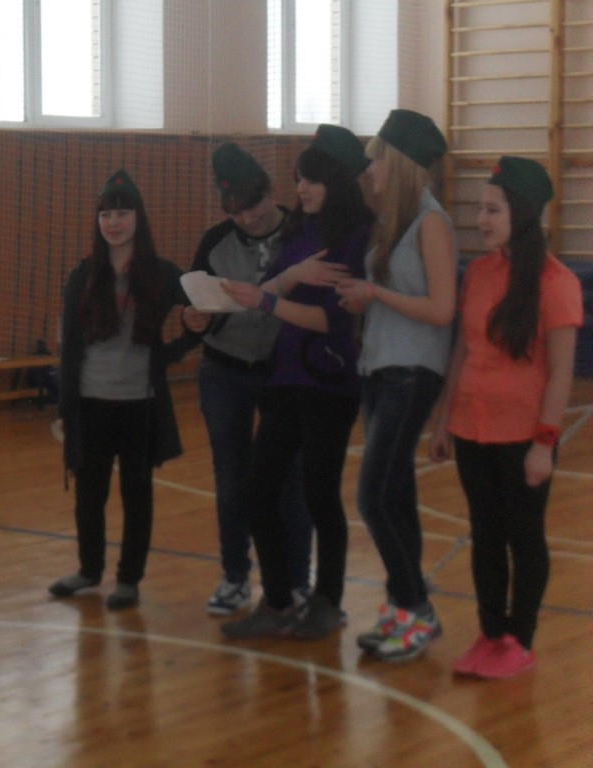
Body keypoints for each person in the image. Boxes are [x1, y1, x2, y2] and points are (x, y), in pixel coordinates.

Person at [219, 125, 374, 640]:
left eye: (311, 180)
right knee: (258, 490)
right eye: (299, 179)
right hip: (285, 377)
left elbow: (331, 320)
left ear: (336, 181)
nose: (301, 189)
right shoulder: (300, 230)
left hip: (328, 381)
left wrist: (269, 300)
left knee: (320, 493)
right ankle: (278, 601)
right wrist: (286, 282)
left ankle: (327, 601)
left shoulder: (355, 235)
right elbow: (274, 286)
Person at [430, 157, 581, 679]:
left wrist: (544, 443)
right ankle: (491, 633)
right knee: (485, 534)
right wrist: (444, 420)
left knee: (524, 536)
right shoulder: (478, 273)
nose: (481, 220)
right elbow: (462, 350)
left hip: (523, 435)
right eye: (480, 208)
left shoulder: (556, 282)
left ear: (521, 213)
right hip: (472, 428)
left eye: (492, 210)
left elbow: (561, 374)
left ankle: (521, 639)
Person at [179, 142, 342, 615]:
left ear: (270, 192)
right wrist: (193, 319)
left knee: (292, 480)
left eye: (252, 206)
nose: (246, 218)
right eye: (234, 211)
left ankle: (296, 581)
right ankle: (234, 577)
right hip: (225, 372)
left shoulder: (303, 233)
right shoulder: (215, 242)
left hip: (284, 375)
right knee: (231, 479)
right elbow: (199, 306)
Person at [333, 109, 458, 661]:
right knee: (397, 496)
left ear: (400, 163)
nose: (370, 170)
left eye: (378, 159)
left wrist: (376, 294)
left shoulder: (432, 223)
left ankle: (416, 607)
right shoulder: (393, 221)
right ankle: (403, 608)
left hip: (413, 371)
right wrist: (361, 299)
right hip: (380, 366)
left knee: (374, 496)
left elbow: (442, 310)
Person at [48, 169, 188, 611]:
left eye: (122, 212)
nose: (113, 222)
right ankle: (89, 570)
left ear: (138, 218)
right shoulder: (83, 275)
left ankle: (129, 579)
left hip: (139, 404)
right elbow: (70, 346)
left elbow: (207, 310)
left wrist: (171, 353)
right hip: (91, 401)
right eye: (106, 214)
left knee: (136, 493)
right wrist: (65, 406)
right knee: (89, 494)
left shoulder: (162, 274)